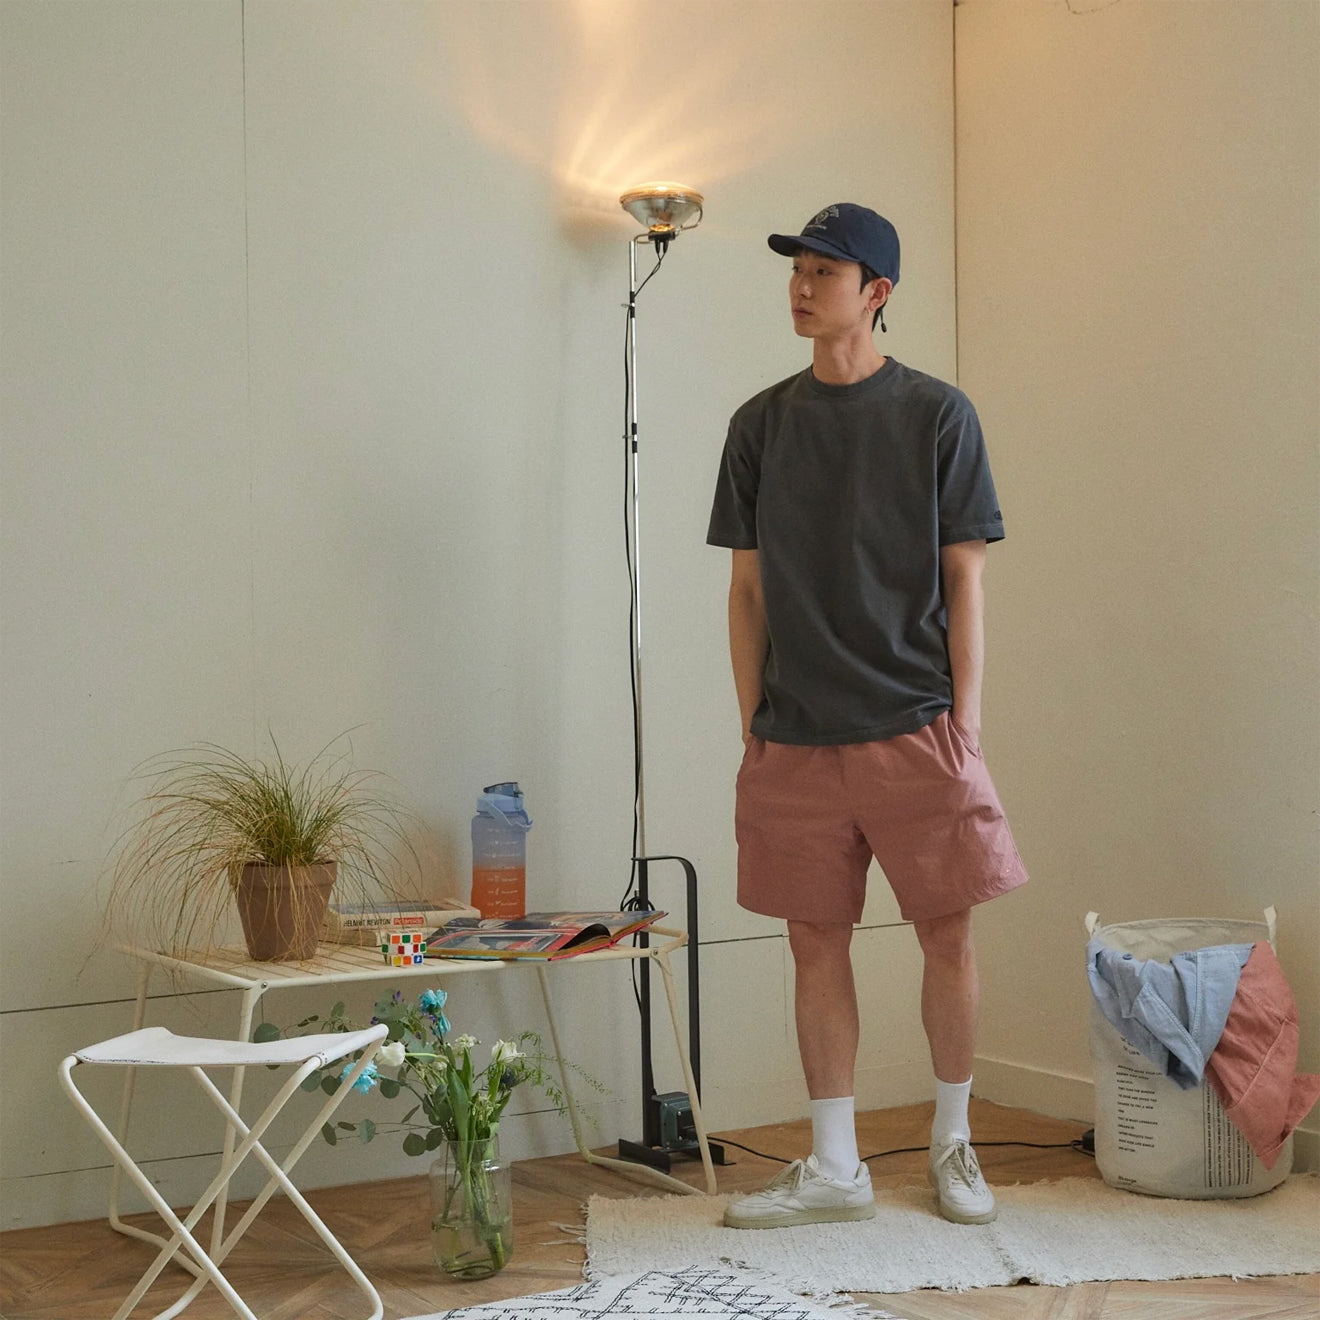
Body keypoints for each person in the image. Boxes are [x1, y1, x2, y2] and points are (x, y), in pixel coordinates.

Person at [706, 203, 1028, 1230]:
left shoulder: (939, 416)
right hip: (795, 737)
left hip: (917, 726)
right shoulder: (759, 425)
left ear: (876, 292)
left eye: (825, 272)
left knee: (948, 936)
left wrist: (965, 721)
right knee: (814, 942)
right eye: (797, 270)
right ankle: (836, 1166)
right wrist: (752, 720)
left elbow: (964, 579)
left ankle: (953, 1143)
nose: (801, 288)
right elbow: (746, 589)